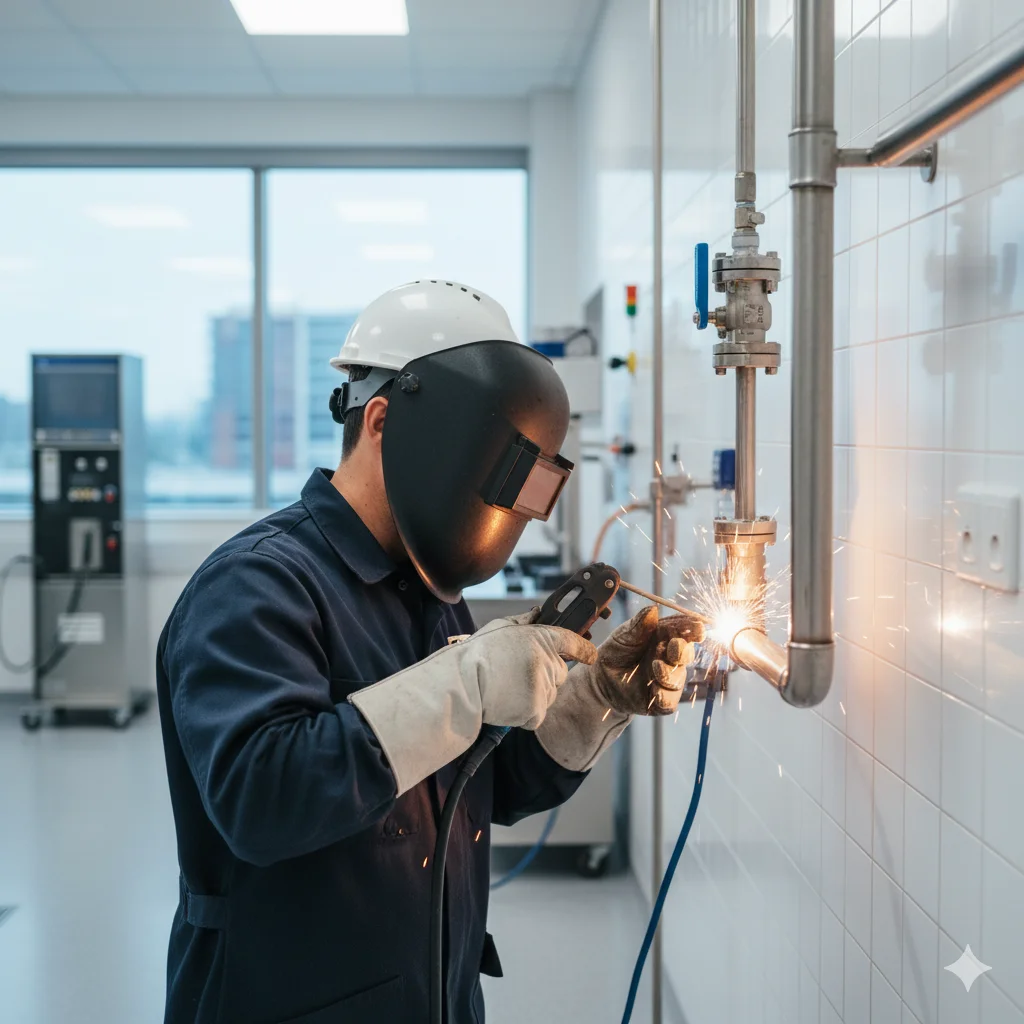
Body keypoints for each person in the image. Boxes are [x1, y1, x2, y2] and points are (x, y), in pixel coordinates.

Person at [156, 280, 705, 1024]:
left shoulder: (430, 586)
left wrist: (592, 702)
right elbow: (262, 800)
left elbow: (482, 787)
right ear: (382, 420)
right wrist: (468, 683)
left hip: (431, 994)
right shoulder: (256, 585)